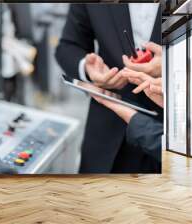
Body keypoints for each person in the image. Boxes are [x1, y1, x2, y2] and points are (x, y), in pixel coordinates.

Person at [56, 3, 162, 173]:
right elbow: (68, 46)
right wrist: (88, 70)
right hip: (106, 132)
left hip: (173, 135)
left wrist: (173, 66)